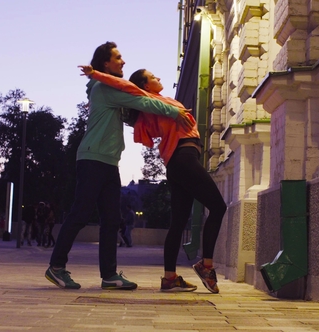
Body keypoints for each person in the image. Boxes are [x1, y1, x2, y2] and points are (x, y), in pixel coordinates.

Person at [44, 41, 195, 290]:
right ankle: (56, 267)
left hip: (108, 161)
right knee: (80, 213)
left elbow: (134, 109)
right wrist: (173, 111)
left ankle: (110, 276)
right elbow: (142, 103)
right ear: (106, 63)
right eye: (118, 57)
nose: (123, 61)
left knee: (112, 220)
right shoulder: (105, 88)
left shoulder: (109, 89)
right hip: (93, 158)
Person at [79, 65, 227, 293]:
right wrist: (94, 74)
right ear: (145, 85)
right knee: (218, 206)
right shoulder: (146, 99)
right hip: (184, 158)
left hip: (176, 163)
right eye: (152, 76)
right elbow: (122, 84)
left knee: (178, 222)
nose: (158, 76)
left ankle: (169, 278)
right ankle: (206, 265)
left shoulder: (156, 102)